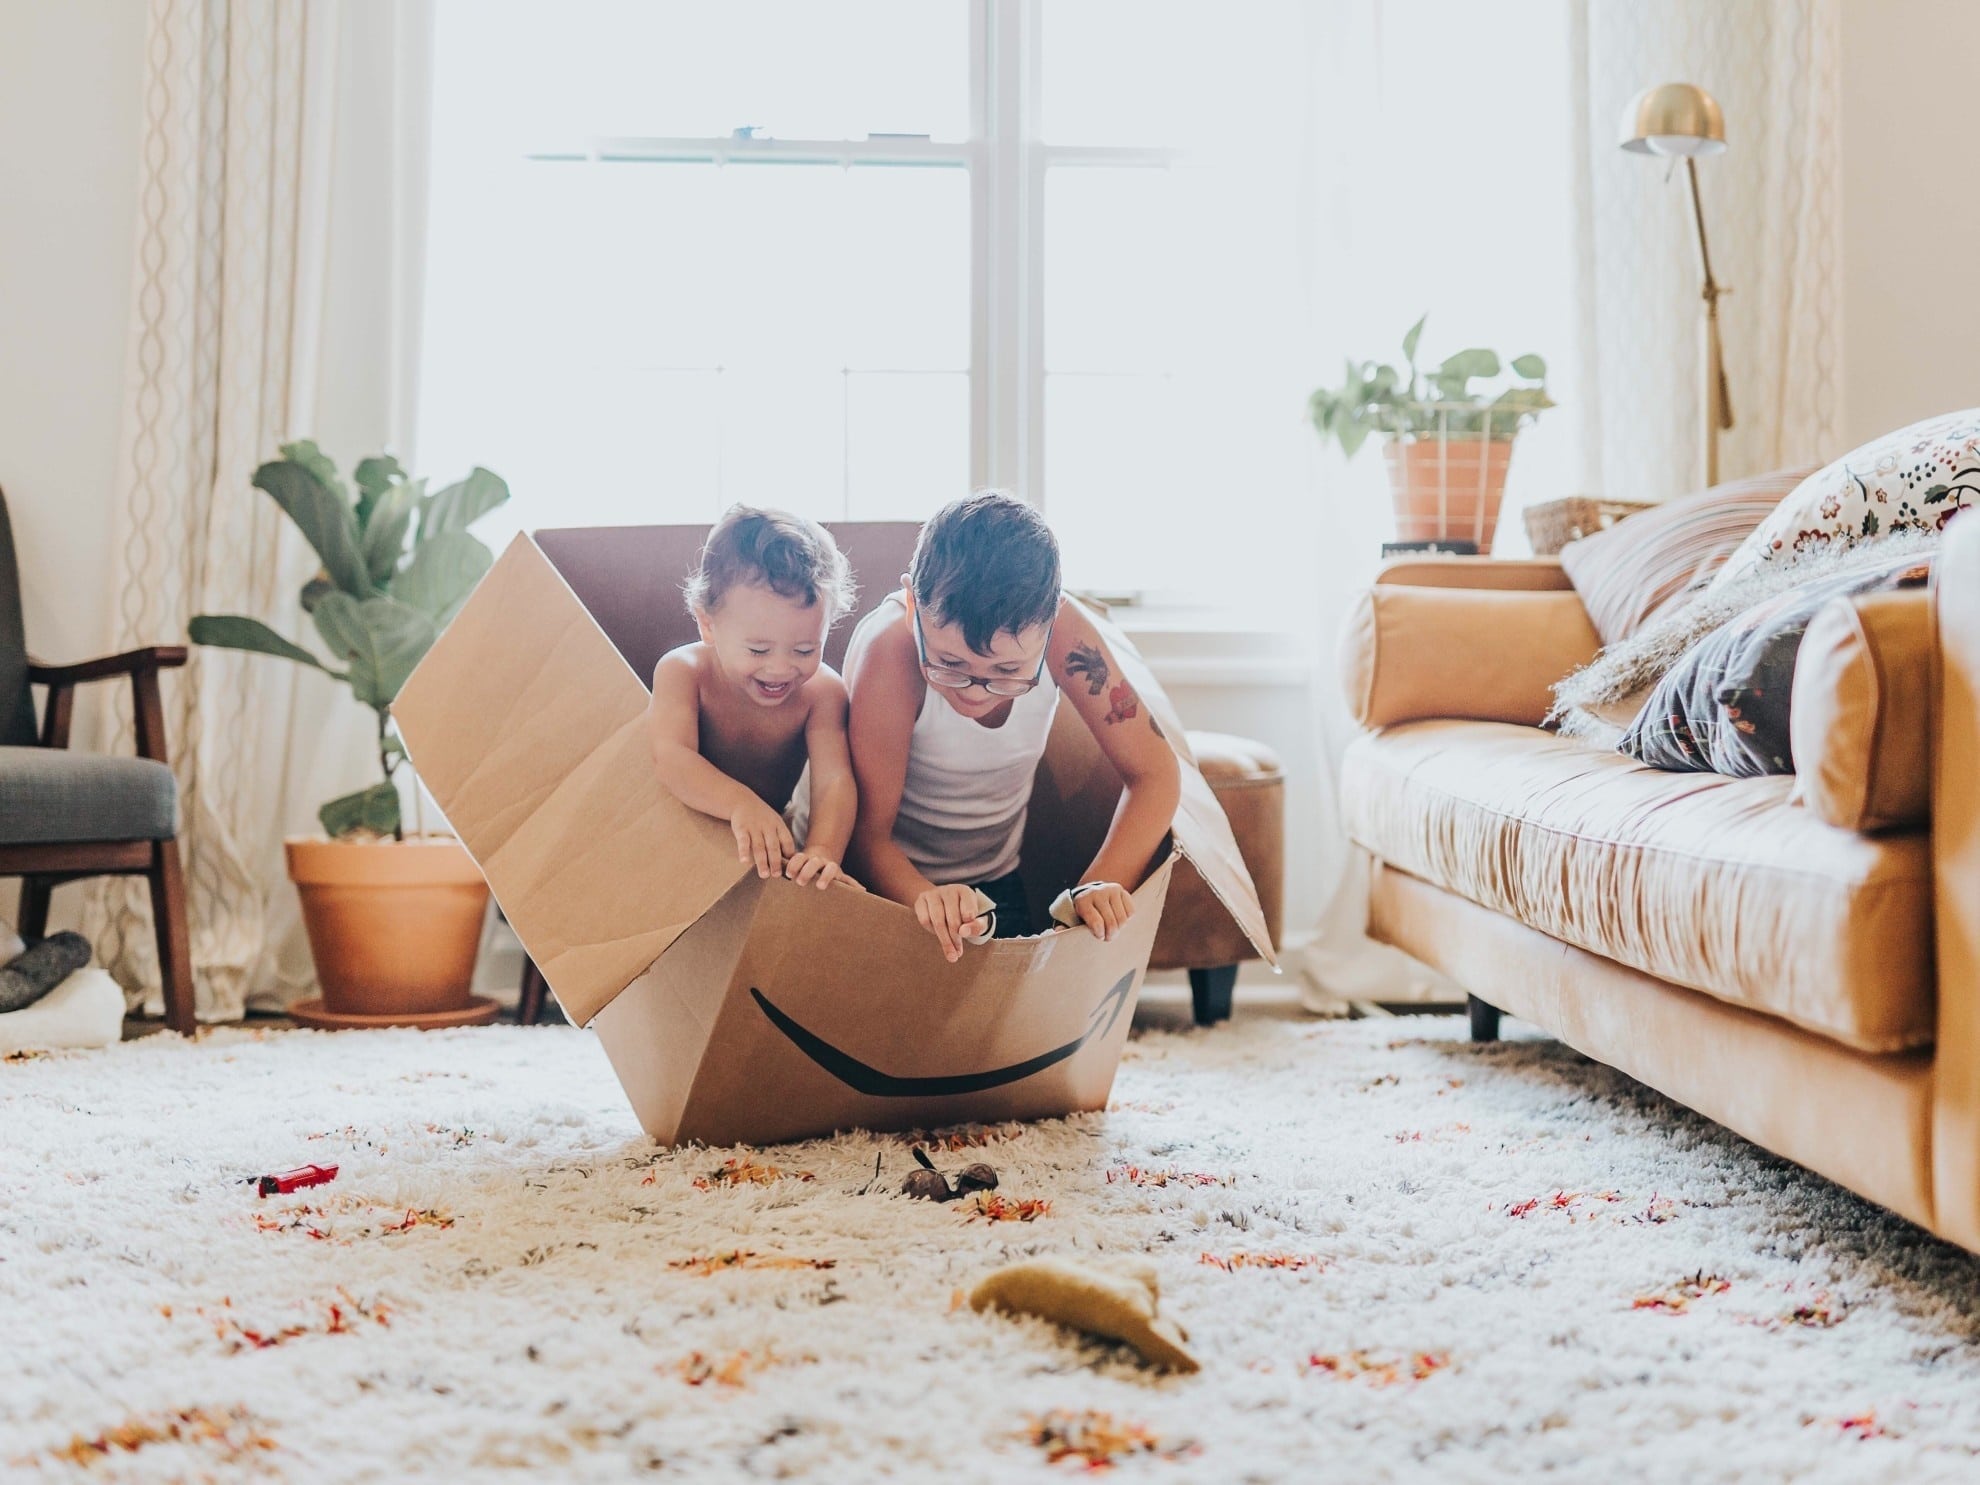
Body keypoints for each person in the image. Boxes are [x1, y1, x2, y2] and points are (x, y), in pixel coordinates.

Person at [834, 490, 1180, 961]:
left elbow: (1156, 774)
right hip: (888, 887)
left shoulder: (1066, 634)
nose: (975, 691)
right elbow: (866, 836)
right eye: (948, 663)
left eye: (1007, 672)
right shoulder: (889, 653)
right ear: (914, 607)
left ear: (1051, 621)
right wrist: (927, 901)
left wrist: (1095, 890)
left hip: (999, 884)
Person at [645, 506, 860, 889]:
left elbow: (834, 780)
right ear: (707, 624)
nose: (779, 670)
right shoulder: (683, 672)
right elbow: (671, 758)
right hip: (678, 832)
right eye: (758, 651)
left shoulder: (822, 693)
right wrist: (740, 804)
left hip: (763, 845)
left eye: (805, 650)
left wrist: (823, 851)